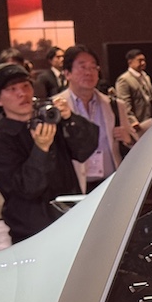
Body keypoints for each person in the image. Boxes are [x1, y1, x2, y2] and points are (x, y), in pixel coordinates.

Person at [0, 64, 98, 242]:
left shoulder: (47, 120)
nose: (22, 93)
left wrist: (70, 119)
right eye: (12, 89)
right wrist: (41, 149)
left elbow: (85, 150)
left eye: (26, 86)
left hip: (70, 219)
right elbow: (26, 188)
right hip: (33, 232)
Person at [54, 45, 138, 194]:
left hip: (110, 185)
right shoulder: (56, 108)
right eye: (82, 67)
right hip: (74, 188)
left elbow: (136, 145)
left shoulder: (115, 105)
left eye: (93, 67)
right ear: (67, 73)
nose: (89, 72)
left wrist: (128, 139)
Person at [115, 49, 152, 135]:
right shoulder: (124, 80)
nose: (143, 63)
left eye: (144, 60)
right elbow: (124, 104)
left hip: (151, 120)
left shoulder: (145, 76)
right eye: (140, 60)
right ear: (130, 62)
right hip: (139, 124)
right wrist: (132, 121)